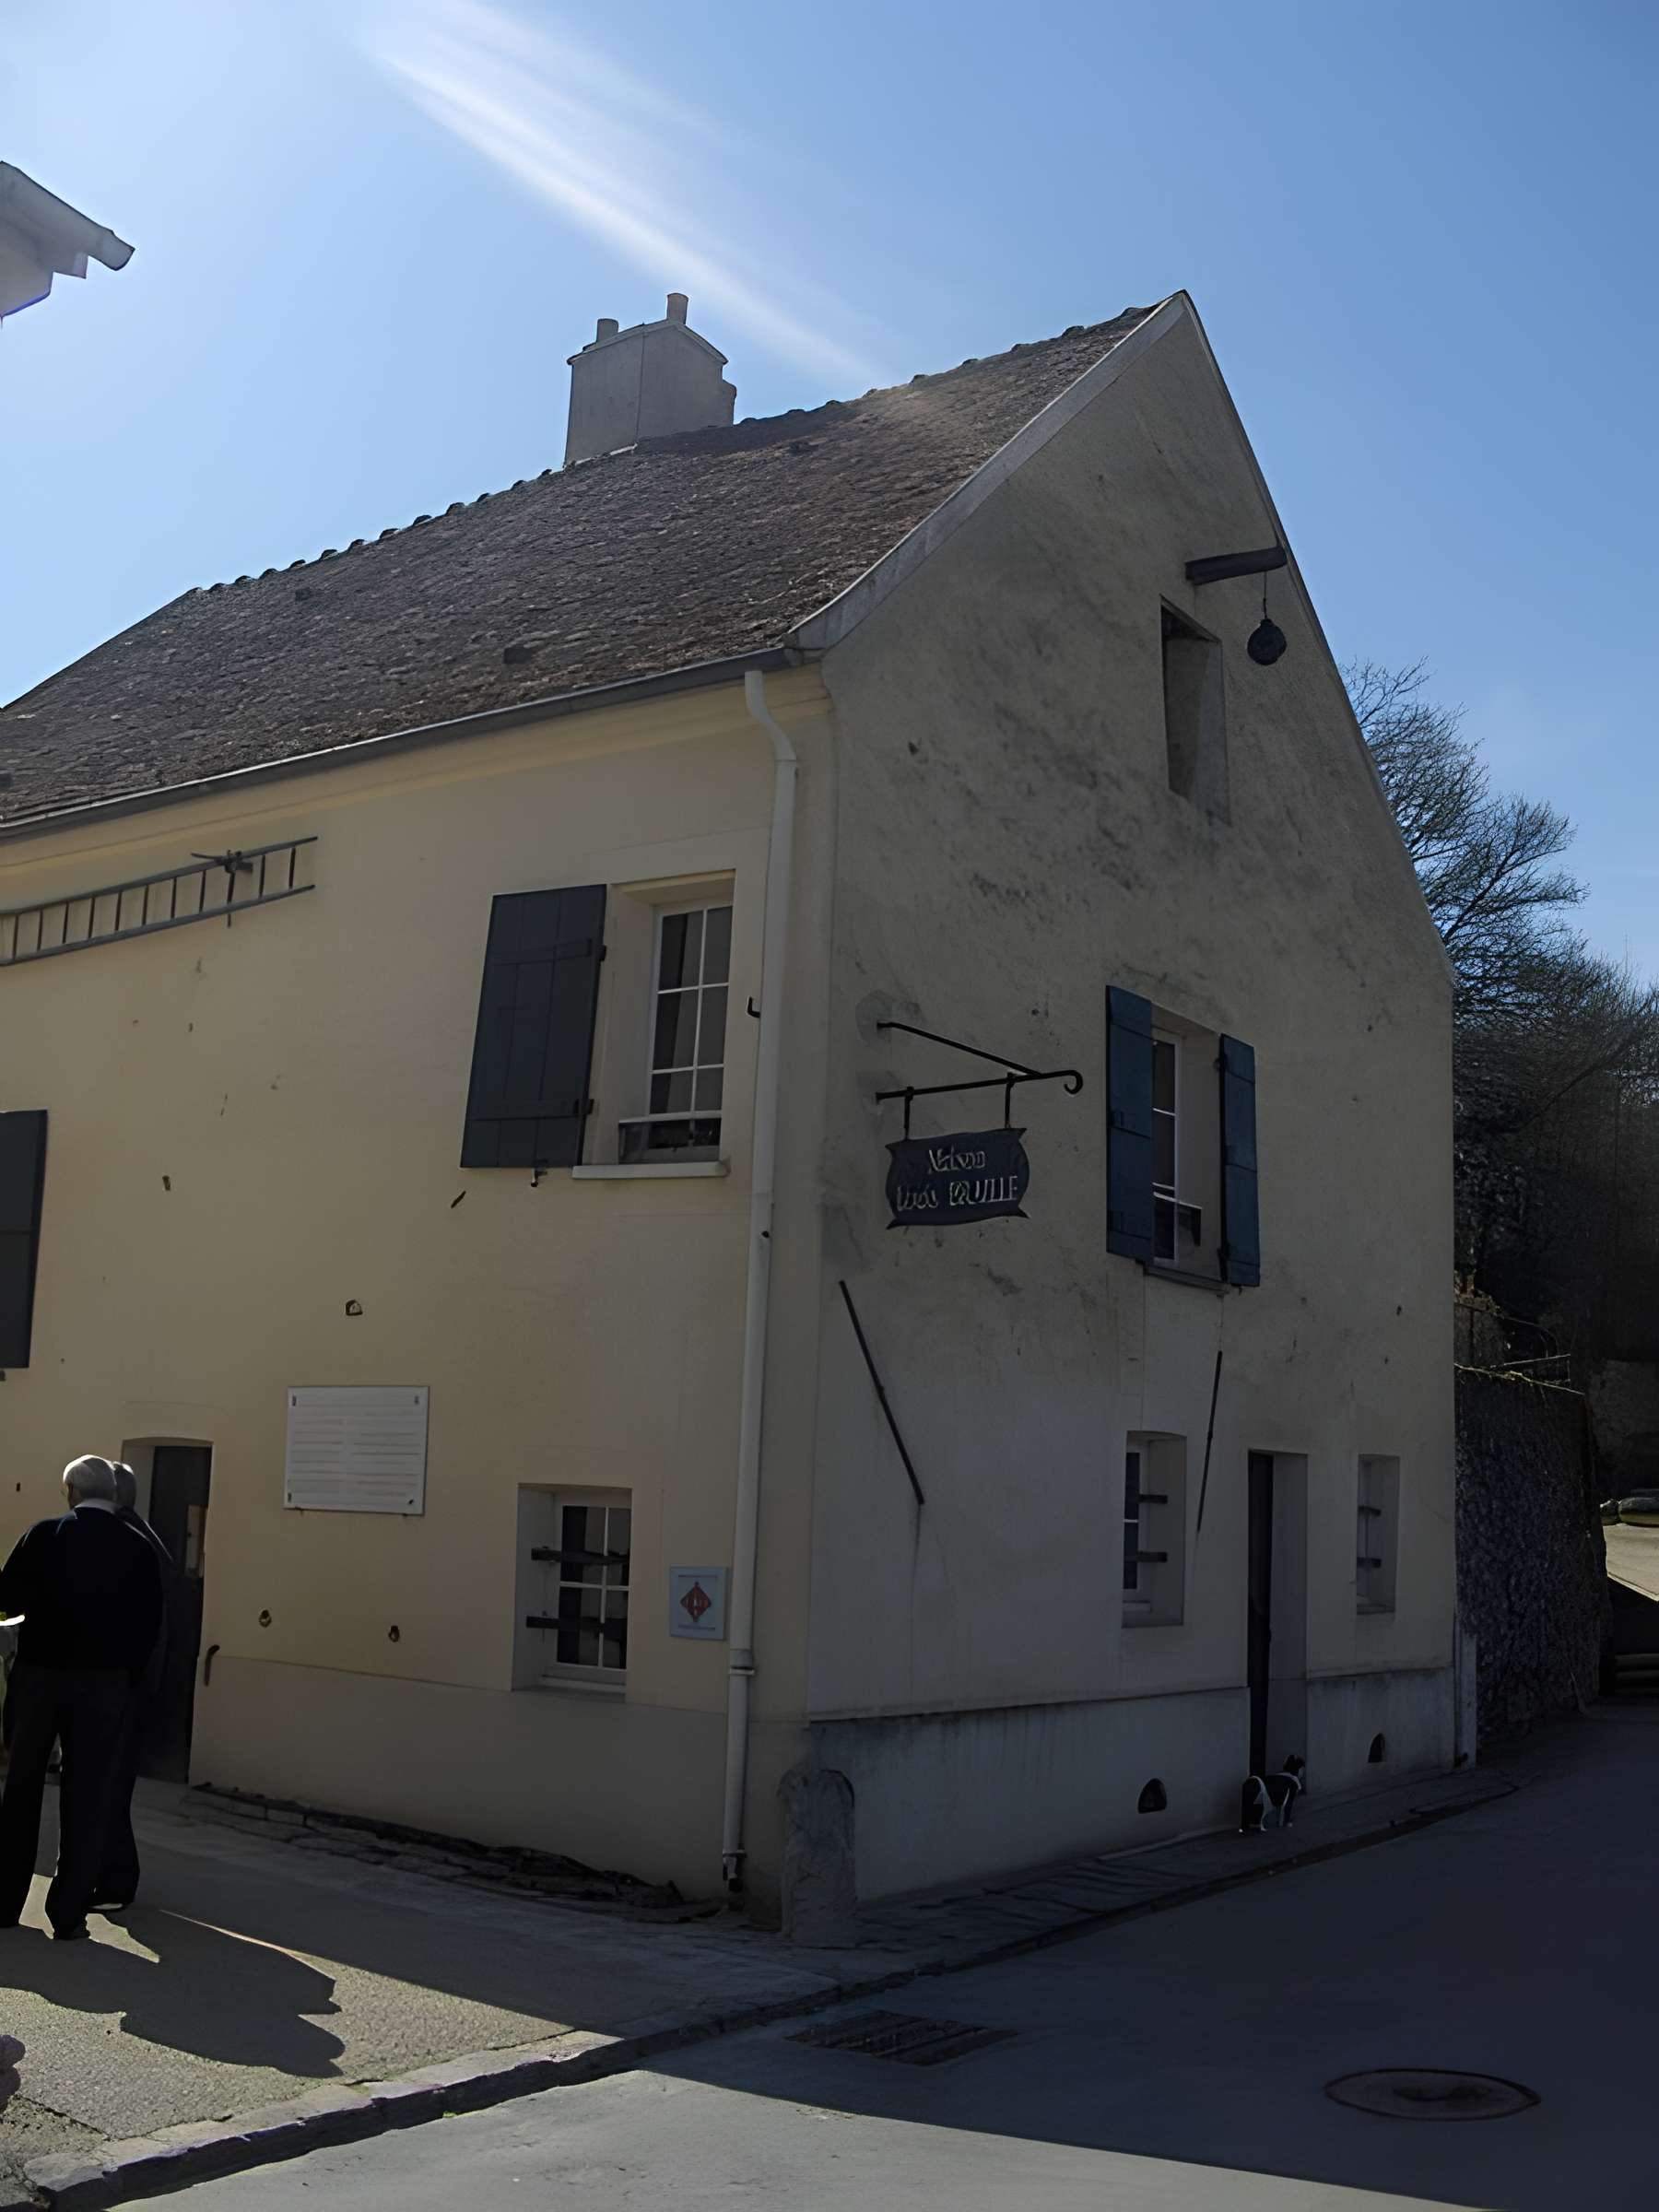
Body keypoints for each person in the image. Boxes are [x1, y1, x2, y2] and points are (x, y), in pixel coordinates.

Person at [0, 1456, 164, 1939]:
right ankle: (68, 1912)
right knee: (87, 1795)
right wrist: (124, 1682)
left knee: (23, 1789)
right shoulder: (138, 1547)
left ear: (70, 1491)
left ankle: (6, 1902)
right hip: (105, 1686)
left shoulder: (45, 1534)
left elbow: (8, 1599)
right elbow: (148, 1629)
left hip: (40, 1678)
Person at [93, 1462, 173, 1913]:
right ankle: (110, 1877)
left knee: (108, 1787)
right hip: (137, 1685)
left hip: (124, 1686)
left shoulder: (124, 1540)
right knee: (111, 1786)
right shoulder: (147, 1538)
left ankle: (115, 1882)